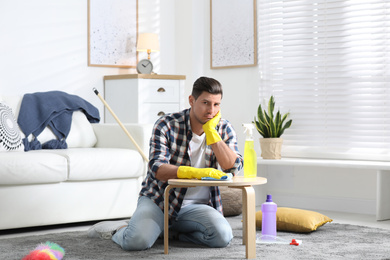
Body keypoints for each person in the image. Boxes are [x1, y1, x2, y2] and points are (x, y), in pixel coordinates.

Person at [88, 76, 243, 250]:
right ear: (191, 100)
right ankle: (120, 229)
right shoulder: (167, 124)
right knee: (137, 241)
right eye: (206, 103)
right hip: (160, 201)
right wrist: (196, 173)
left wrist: (212, 133)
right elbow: (158, 169)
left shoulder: (223, 128)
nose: (211, 111)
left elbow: (233, 167)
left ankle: (171, 233)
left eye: (216, 105)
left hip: (198, 207)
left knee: (222, 237)